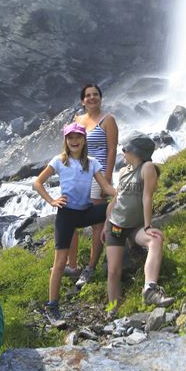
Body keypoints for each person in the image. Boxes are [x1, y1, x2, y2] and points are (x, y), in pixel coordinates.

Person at [33, 123, 116, 326]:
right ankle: (52, 306)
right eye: (70, 138)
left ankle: (117, 246)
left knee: (110, 208)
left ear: (84, 139)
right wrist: (52, 201)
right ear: (66, 141)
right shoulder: (59, 161)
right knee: (60, 262)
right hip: (67, 214)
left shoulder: (93, 162)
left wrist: (122, 194)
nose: (74, 141)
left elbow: (106, 187)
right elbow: (37, 182)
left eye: (78, 137)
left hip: (86, 211)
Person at [103, 136, 173, 316]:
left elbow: (147, 197)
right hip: (116, 225)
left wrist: (148, 225)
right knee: (113, 271)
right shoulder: (123, 171)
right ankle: (114, 311)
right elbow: (116, 199)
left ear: (135, 152)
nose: (123, 152)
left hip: (135, 226)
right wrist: (105, 225)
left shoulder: (147, 168)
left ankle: (150, 289)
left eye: (125, 149)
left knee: (155, 240)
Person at [67, 83, 119, 288]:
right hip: (77, 177)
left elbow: (112, 150)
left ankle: (90, 267)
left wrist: (106, 177)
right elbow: (71, 148)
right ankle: (71, 265)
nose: (92, 98)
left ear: (100, 98)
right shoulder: (77, 120)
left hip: (98, 177)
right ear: (82, 100)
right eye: (88, 95)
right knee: (70, 217)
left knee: (97, 223)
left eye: (95, 95)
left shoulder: (108, 120)